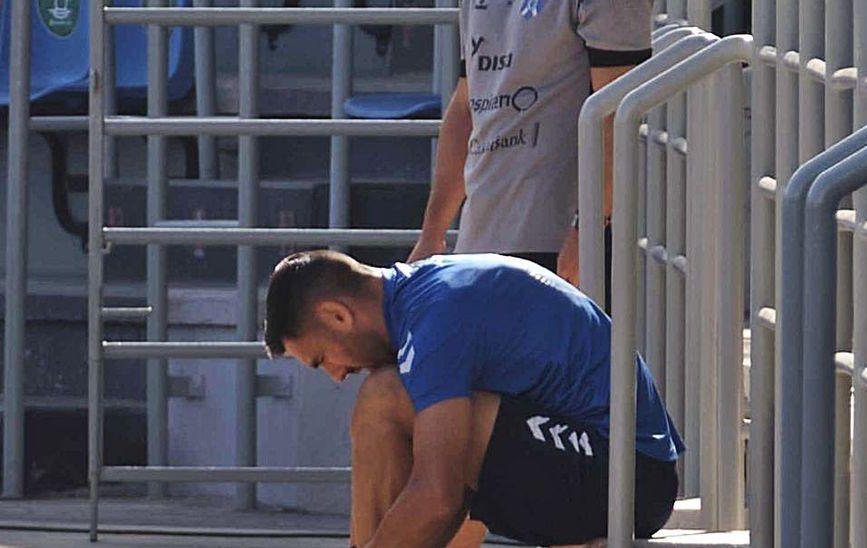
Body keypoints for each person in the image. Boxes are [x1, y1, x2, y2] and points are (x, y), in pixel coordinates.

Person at [263, 250, 682, 548]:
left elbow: (438, 498)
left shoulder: (436, 322)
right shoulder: (428, 293)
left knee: (384, 399)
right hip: (603, 463)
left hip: (631, 481)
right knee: (415, 415)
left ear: (338, 315)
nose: (336, 375)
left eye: (322, 360)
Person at [409, 0, 654, 283]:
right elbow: (466, 105)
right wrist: (432, 236)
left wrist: (587, 233)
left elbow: (617, 116)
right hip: (480, 238)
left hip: (560, 244)